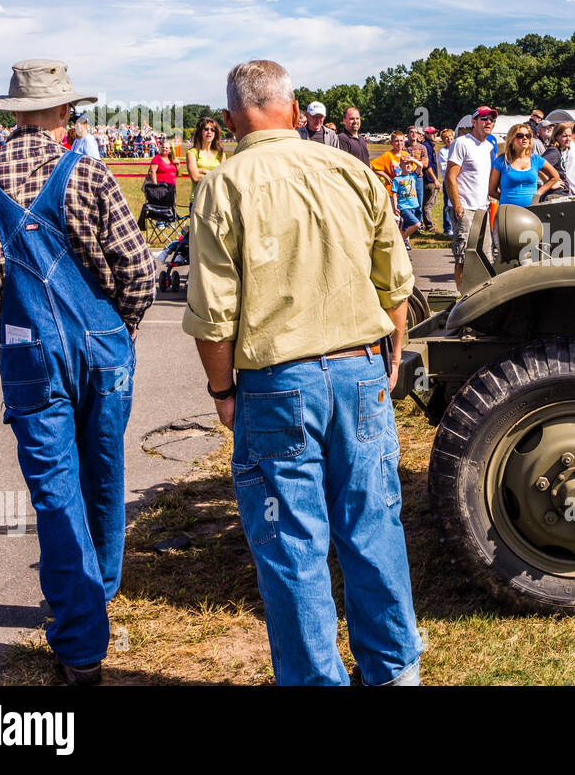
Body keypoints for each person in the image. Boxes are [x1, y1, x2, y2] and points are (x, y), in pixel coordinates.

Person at [184, 59, 420, 686]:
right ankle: (396, 672)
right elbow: (396, 280)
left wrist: (222, 391)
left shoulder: (223, 185)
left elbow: (213, 315)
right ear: (293, 111)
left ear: (232, 122)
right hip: (360, 368)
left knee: (292, 546)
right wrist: (391, 356)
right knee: (374, 528)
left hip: (277, 380)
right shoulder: (351, 170)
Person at [0, 59, 155, 684]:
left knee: (56, 491)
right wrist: (122, 328)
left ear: (13, 113)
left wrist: (10, 285)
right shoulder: (88, 171)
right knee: (105, 474)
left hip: (30, 351)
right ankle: (94, 597)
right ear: (63, 114)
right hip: (103, 347)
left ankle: (81, 643)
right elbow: (137, 268)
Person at [445, 108, 499, 288]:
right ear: (474, 122)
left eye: (492, 119)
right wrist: (458, 208)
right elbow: (450, 177)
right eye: (484, 118)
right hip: (465, 208)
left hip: (482, 209)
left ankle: (480, 298)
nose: (489, 122)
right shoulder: (462, 142)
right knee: (463, 258)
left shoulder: (489, 147)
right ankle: (461, 299)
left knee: (485, 257)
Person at [490, 123, 562, 207]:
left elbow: (555, 176)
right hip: (508, 211)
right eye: (520, 135)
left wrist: (539, 193)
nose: (525, 138)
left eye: (528, 135)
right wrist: (505, 199)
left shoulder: (536, 159)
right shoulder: (502, 161)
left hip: (532, 210)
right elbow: (491, 190)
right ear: (511, 139)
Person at [542, 121, 575, 199]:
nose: (568, 139)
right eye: (564, 136)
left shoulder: (560, 151)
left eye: (569, 136)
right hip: (556, 196)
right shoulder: (553, 151)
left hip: (562, 194)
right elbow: (537, 166)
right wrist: (550, 183)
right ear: (556, 137)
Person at [186, 115, 226, 187]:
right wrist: (214, 174)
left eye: (212, 130)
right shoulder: (192, 153)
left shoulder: (221, 154)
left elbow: (224, 177)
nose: (209, 132)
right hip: (198, 196)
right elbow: (195, 177)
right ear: (200, 132)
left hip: (216, 196)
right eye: (206, 129)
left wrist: (202, 171)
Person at [392, 156, 421, 246]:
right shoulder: (397, 179)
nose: (408, 165)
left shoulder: (413, 176)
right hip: (403, 207)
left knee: (405, 227)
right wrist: (395, 207)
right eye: (406, 164)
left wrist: (411, 159)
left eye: (410, 164)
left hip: (414, 206)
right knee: (416, 224)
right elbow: (394, 194)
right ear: (400, 165)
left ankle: (404, 245)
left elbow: (420, 165)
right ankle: (401, 241)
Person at [436, 129, 455, 236]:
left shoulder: (457, 149)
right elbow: (445, 167)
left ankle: (456, 226)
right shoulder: (443, 152)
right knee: (448, 204)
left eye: (450, 136)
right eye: (446, 137)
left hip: (458, 181)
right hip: (447, 181)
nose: (449, 139)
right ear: (443, 140)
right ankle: (447, 229)